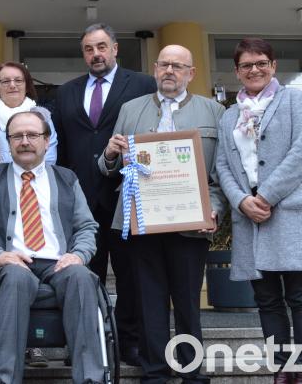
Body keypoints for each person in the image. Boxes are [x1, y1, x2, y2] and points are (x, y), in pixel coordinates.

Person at [99, 45, 225, 383]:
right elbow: (111, 167)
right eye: (165, 65)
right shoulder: (130, 109)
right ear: (155, 69)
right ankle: (154, 371)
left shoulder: (213, 111)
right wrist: (110, 154)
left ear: (191, 73)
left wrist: (215, 207)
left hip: (192, 224)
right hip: (143, 222)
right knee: (148, 302)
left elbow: (222, 173)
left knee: (187, 304)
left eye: (178, 66)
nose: (170, 71)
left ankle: (190, 370)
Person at [0, 110, 106, 384]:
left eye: (32, 135)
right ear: (8, 142)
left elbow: (87, 227)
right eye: (17, 136)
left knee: (81, 277)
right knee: (16, 277)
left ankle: (90, 379)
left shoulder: (67, 179)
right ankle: (5, 379)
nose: (25, 141)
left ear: (47, 140)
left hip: (59, 263)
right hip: (9, 264)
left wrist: (78, 255)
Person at [216, 38, 302, 384]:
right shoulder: (229, 115)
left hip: (289, 212)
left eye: (261, 62)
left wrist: (265, 195)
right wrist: (241, 200)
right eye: (247, 65)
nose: (255, 70)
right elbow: (223, 165)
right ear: (237, 72)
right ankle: (283, 367)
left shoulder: (293, 100)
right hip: (250, 219)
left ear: (273, 66)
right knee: (267, 301)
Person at [52, 23, 156, 365]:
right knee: (80, 276)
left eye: (101, 47)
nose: (95, 54)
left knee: (131, 276)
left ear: (114, 49)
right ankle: (83, 342)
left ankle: (131, 344)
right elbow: (61, 152)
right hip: (80, 202)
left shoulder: (143, 85)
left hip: (128, 196)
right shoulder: (66, 92)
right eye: (88, 49)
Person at [0, 61, 58, 179]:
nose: (12, 85)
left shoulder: (42, 116)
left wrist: (30, 181)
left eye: (18, 80)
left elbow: (49, 153)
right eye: (5, 81)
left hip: (34, 185)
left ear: (27, 86)